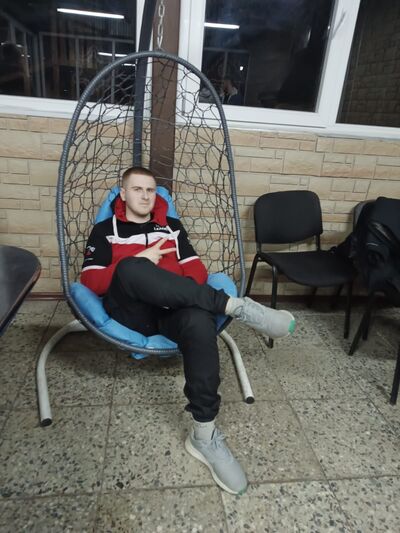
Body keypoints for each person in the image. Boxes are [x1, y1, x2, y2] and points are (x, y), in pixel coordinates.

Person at [81, 166, 296, 495]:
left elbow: (196, 270)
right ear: (122, 194)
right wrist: (144, 260)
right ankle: (237, 307)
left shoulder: (172, 227)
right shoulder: (104, 230)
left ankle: (204, 436)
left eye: (150, 190)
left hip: (175, 309)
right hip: (133, 313)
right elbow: (91, 281)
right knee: (131, 267)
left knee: (199, 322)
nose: (145, 196)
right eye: (137, 189)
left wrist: (174, 292)